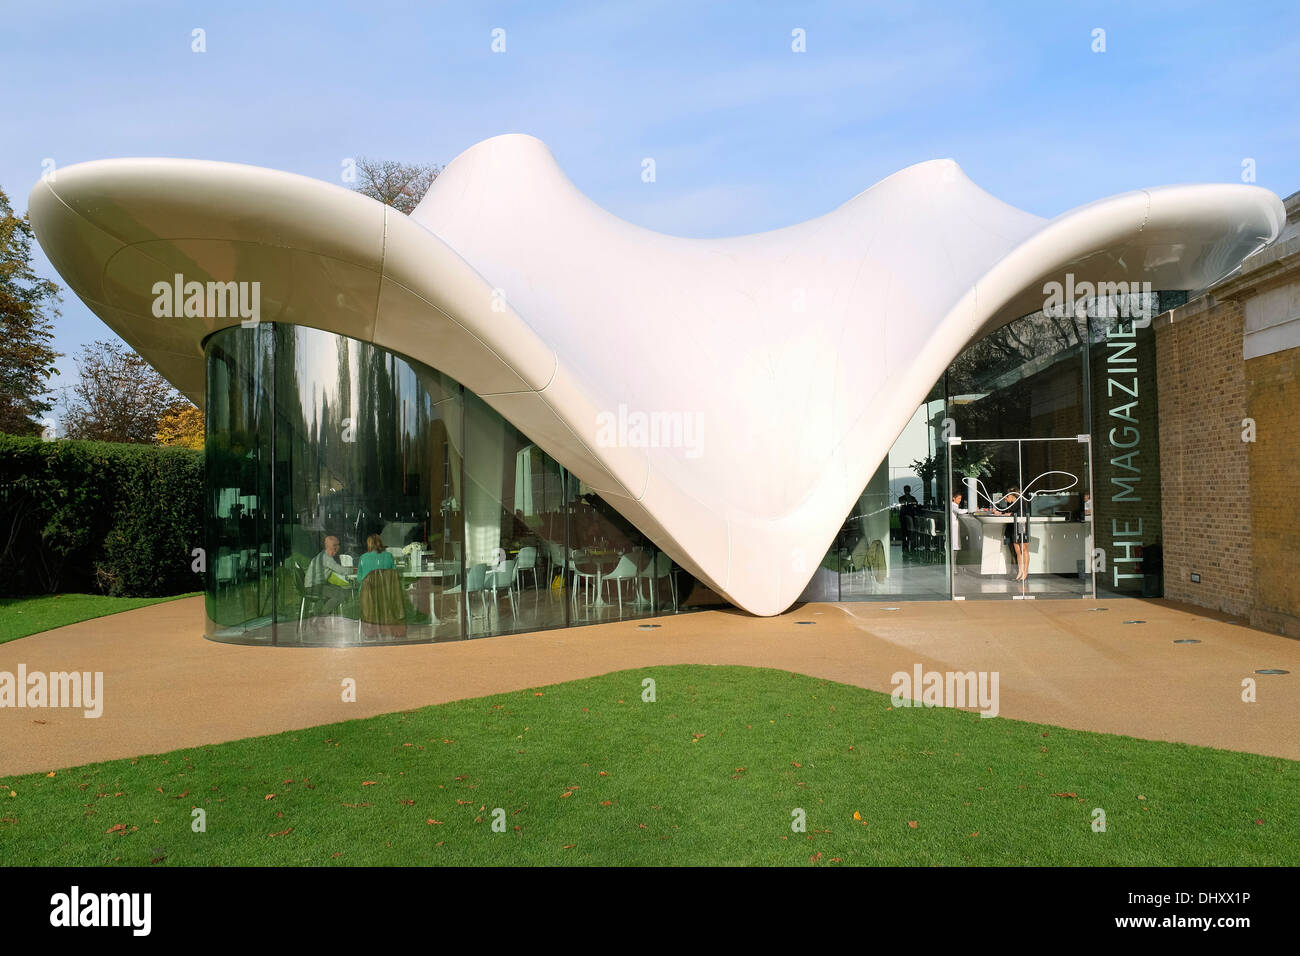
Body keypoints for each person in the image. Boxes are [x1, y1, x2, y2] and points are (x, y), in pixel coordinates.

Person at [304, 534, 352, 614]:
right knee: (339, 595)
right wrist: (354, 570)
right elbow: (341, 570)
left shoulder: (323, 555)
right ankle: (321, 615)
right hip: (314, 587)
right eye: (338, 545)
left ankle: (320, 613)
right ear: (334, 547)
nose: (339, 548)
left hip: (313, 585)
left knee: (339, 589)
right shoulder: (326, 558)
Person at [998, 487, 1031, 582]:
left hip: (1021, 525)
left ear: (1011, 496)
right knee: (1017, 550)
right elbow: (1011, 512)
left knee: (1023, 549)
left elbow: (1018, 513)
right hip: (1014, 526)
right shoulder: (1013, 503)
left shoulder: (1020, 501)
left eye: (1006, 498)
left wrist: (1006, 514)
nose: (1005, 500)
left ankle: (1025, 571)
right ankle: (1020, 571)